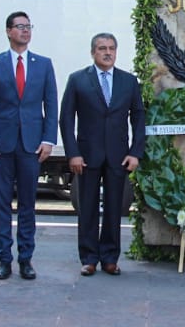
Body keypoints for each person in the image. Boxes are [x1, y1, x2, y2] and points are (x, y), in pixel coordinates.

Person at [59, 33, 145, 276]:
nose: (107, 52)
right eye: (101, 48)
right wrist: (72, 153)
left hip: (119, 156)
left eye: (111, 48)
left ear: (116, 52)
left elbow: (139, 117)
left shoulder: (128, 82)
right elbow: (66, 119)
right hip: (86, 156)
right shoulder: (77, 80)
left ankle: (110, 257)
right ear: (92, 52)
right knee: (86, 208)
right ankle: (88, 258)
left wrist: (135, 152)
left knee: (114, 208)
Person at [0, 11, 57, 281]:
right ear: (8, 31)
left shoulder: (43, 64)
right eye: (20, 26)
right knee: (1, 203)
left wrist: (48, 139)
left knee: (28, 203)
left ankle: (26, 258)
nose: (25, 31)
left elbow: (51, 103)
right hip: (2, 145)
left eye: (28, 26)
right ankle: (4, 258)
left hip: (31, 145)